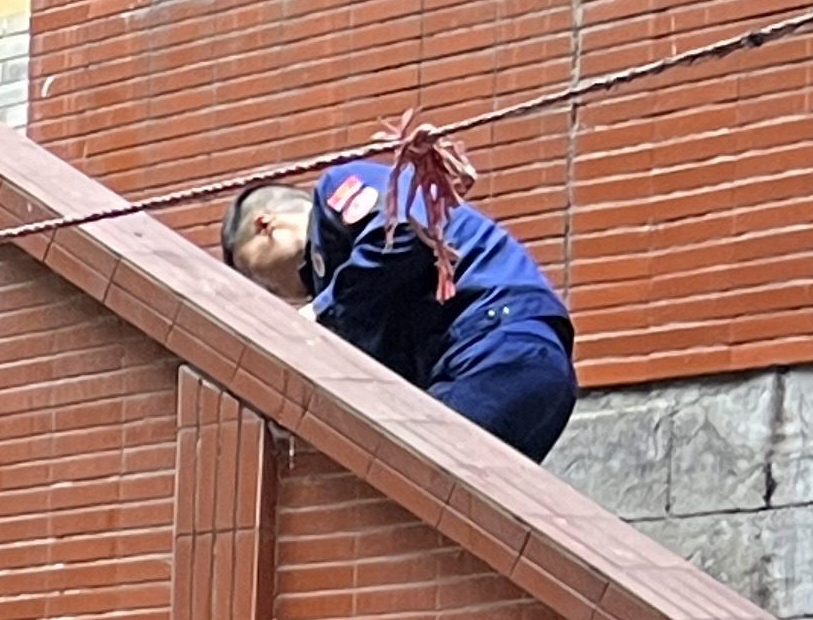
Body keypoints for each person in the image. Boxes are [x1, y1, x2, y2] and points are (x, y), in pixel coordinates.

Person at [224, 159, 576, 461]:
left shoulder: (337, 190)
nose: (275, 293)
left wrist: (320, 312)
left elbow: (405, 232)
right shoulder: (345, 288)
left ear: (264, 225)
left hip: (493, 339)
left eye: (261, 279)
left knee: (424, 474)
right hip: (510, 357)